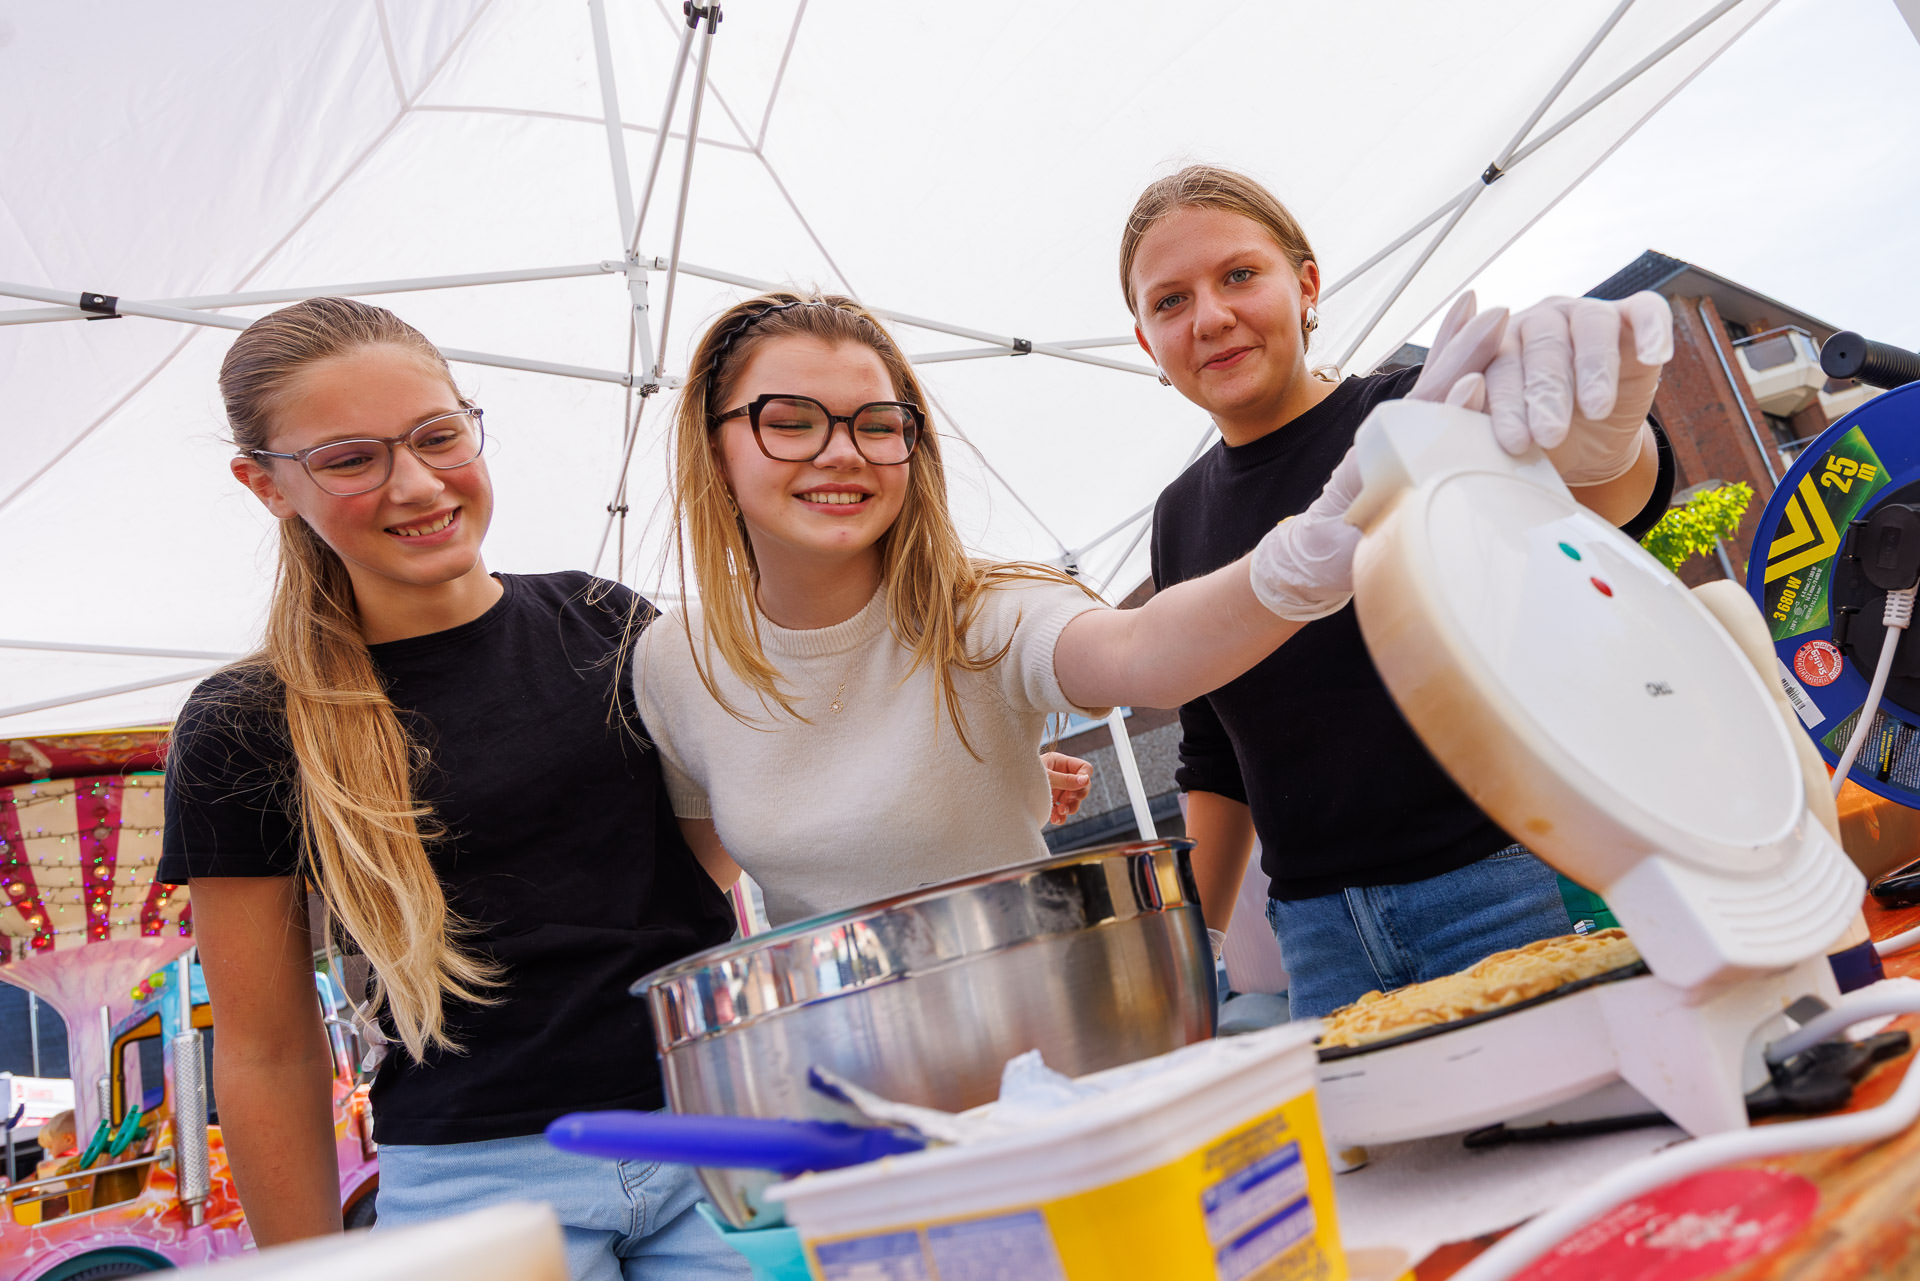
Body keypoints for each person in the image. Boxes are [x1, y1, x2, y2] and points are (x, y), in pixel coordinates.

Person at [156, 298, 748, 1279]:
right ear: (264, 485)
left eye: (439, 436)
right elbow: (267, 1051)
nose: (419, 484)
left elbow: (698, 869)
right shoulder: (248, 722)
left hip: (721, 1141)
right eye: (352, 459)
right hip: (480, 1187)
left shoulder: (608, 622)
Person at [630, 291, 1504, 926]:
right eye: (790, 420)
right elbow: (693, 893)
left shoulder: (986, 612)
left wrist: (1301, 558)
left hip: (1042, 1055)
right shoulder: (675, 661)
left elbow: (1142, 653)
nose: (841, 453)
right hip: (841, 1101)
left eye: (877, 422)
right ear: (716, 442)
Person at [1121, 164, 1677, 1018]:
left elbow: (1609, 503)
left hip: (1512, 879)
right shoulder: (1180, 512)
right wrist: (1196, 955)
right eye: (1170, 301)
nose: (1211, 317)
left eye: (1239, 275)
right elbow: (1212, 749)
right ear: (1144, 339)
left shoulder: (1418, 406)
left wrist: (1613, 451)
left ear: (1305, 284)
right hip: (1317, 938)